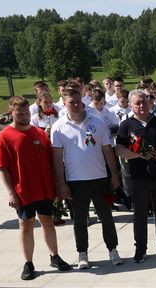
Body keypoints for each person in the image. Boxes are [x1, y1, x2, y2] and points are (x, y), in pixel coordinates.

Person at [0, 96, 71, 280]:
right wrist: (11, 193)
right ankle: (28, 263)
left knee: (48, 222)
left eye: (26, 113)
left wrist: (57, 186)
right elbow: (2, 168)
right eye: (19, 114)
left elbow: (51, 162)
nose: (24, 117)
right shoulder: (4, 137)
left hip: (44, 188)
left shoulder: (39, 133)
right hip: (23, 191)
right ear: (11, 113)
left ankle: (54, 256)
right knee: (26, 226)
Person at [51, 88, 122, 269]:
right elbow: (57, 159)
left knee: (106, 217)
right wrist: (61, 184)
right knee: (80, 219)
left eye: (78, 101)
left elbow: (107, 150)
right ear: (64, 103)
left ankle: (113, 250)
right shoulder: (58, 127)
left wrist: (114, 175)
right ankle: (82, 253)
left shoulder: (97, 122)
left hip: (99, 178)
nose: (75, 105)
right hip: (75, 181)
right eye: (71, 102)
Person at [116, 89, 156, 263]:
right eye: (137, 103)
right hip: (138, 177)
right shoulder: (126, 125)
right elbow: (119, 149)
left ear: (149, 103)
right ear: (131, 105)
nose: (141, 106)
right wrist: (138, 154)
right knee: (140, 213)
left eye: (144, 102)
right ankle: (141, 247)